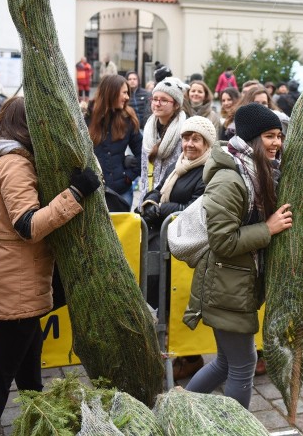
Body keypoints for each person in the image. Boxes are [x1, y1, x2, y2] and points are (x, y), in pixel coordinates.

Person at [0, 97, 100, 435]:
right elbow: (28, 226)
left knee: (28, 375)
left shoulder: (3, 158)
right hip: (14, 287)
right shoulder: (14, 164)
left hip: (13, 281)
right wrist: (75, 193)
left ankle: (37, 428)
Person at [183, 103, 295, 409]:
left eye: (279, 136)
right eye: (270, 136)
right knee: (243, 364)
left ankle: (178, 409)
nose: (277, 143)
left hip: (235, 282)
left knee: (225, 362)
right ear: (252, 139)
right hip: (224, 284)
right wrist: (268, 229)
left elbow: (269, 215)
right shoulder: (230, 180)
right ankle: (234, 426)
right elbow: (222, 241)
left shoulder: (257, 171)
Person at [139, 116, 216, 380]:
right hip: (163, 245)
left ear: (207, 143)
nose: (189, 144)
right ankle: (172, 355)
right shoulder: (179, 165)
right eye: (186, 138)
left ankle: (189, 357)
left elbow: (196, 209)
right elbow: (157, 189)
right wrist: (150, 203)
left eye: (196, 139)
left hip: (185, 250)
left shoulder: (209, 171)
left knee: (176, 305)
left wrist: (162, 210)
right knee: (160, 302)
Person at [88, 74, 142, 210]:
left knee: (122, 231)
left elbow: (143, 153)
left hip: (121, 191)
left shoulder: (128, 119)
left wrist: (129, 176)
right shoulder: (86, 118)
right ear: (111, 92)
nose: (127, 97)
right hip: (93, 192)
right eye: (124, 92)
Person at [139, 79, 187, 203]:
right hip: (148, 199)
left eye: (164, 100)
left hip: (172, 200)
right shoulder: (149, 130)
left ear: (176, 105)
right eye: (154, 99)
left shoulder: (185, 131)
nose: (157, 103)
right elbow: (144, 172)